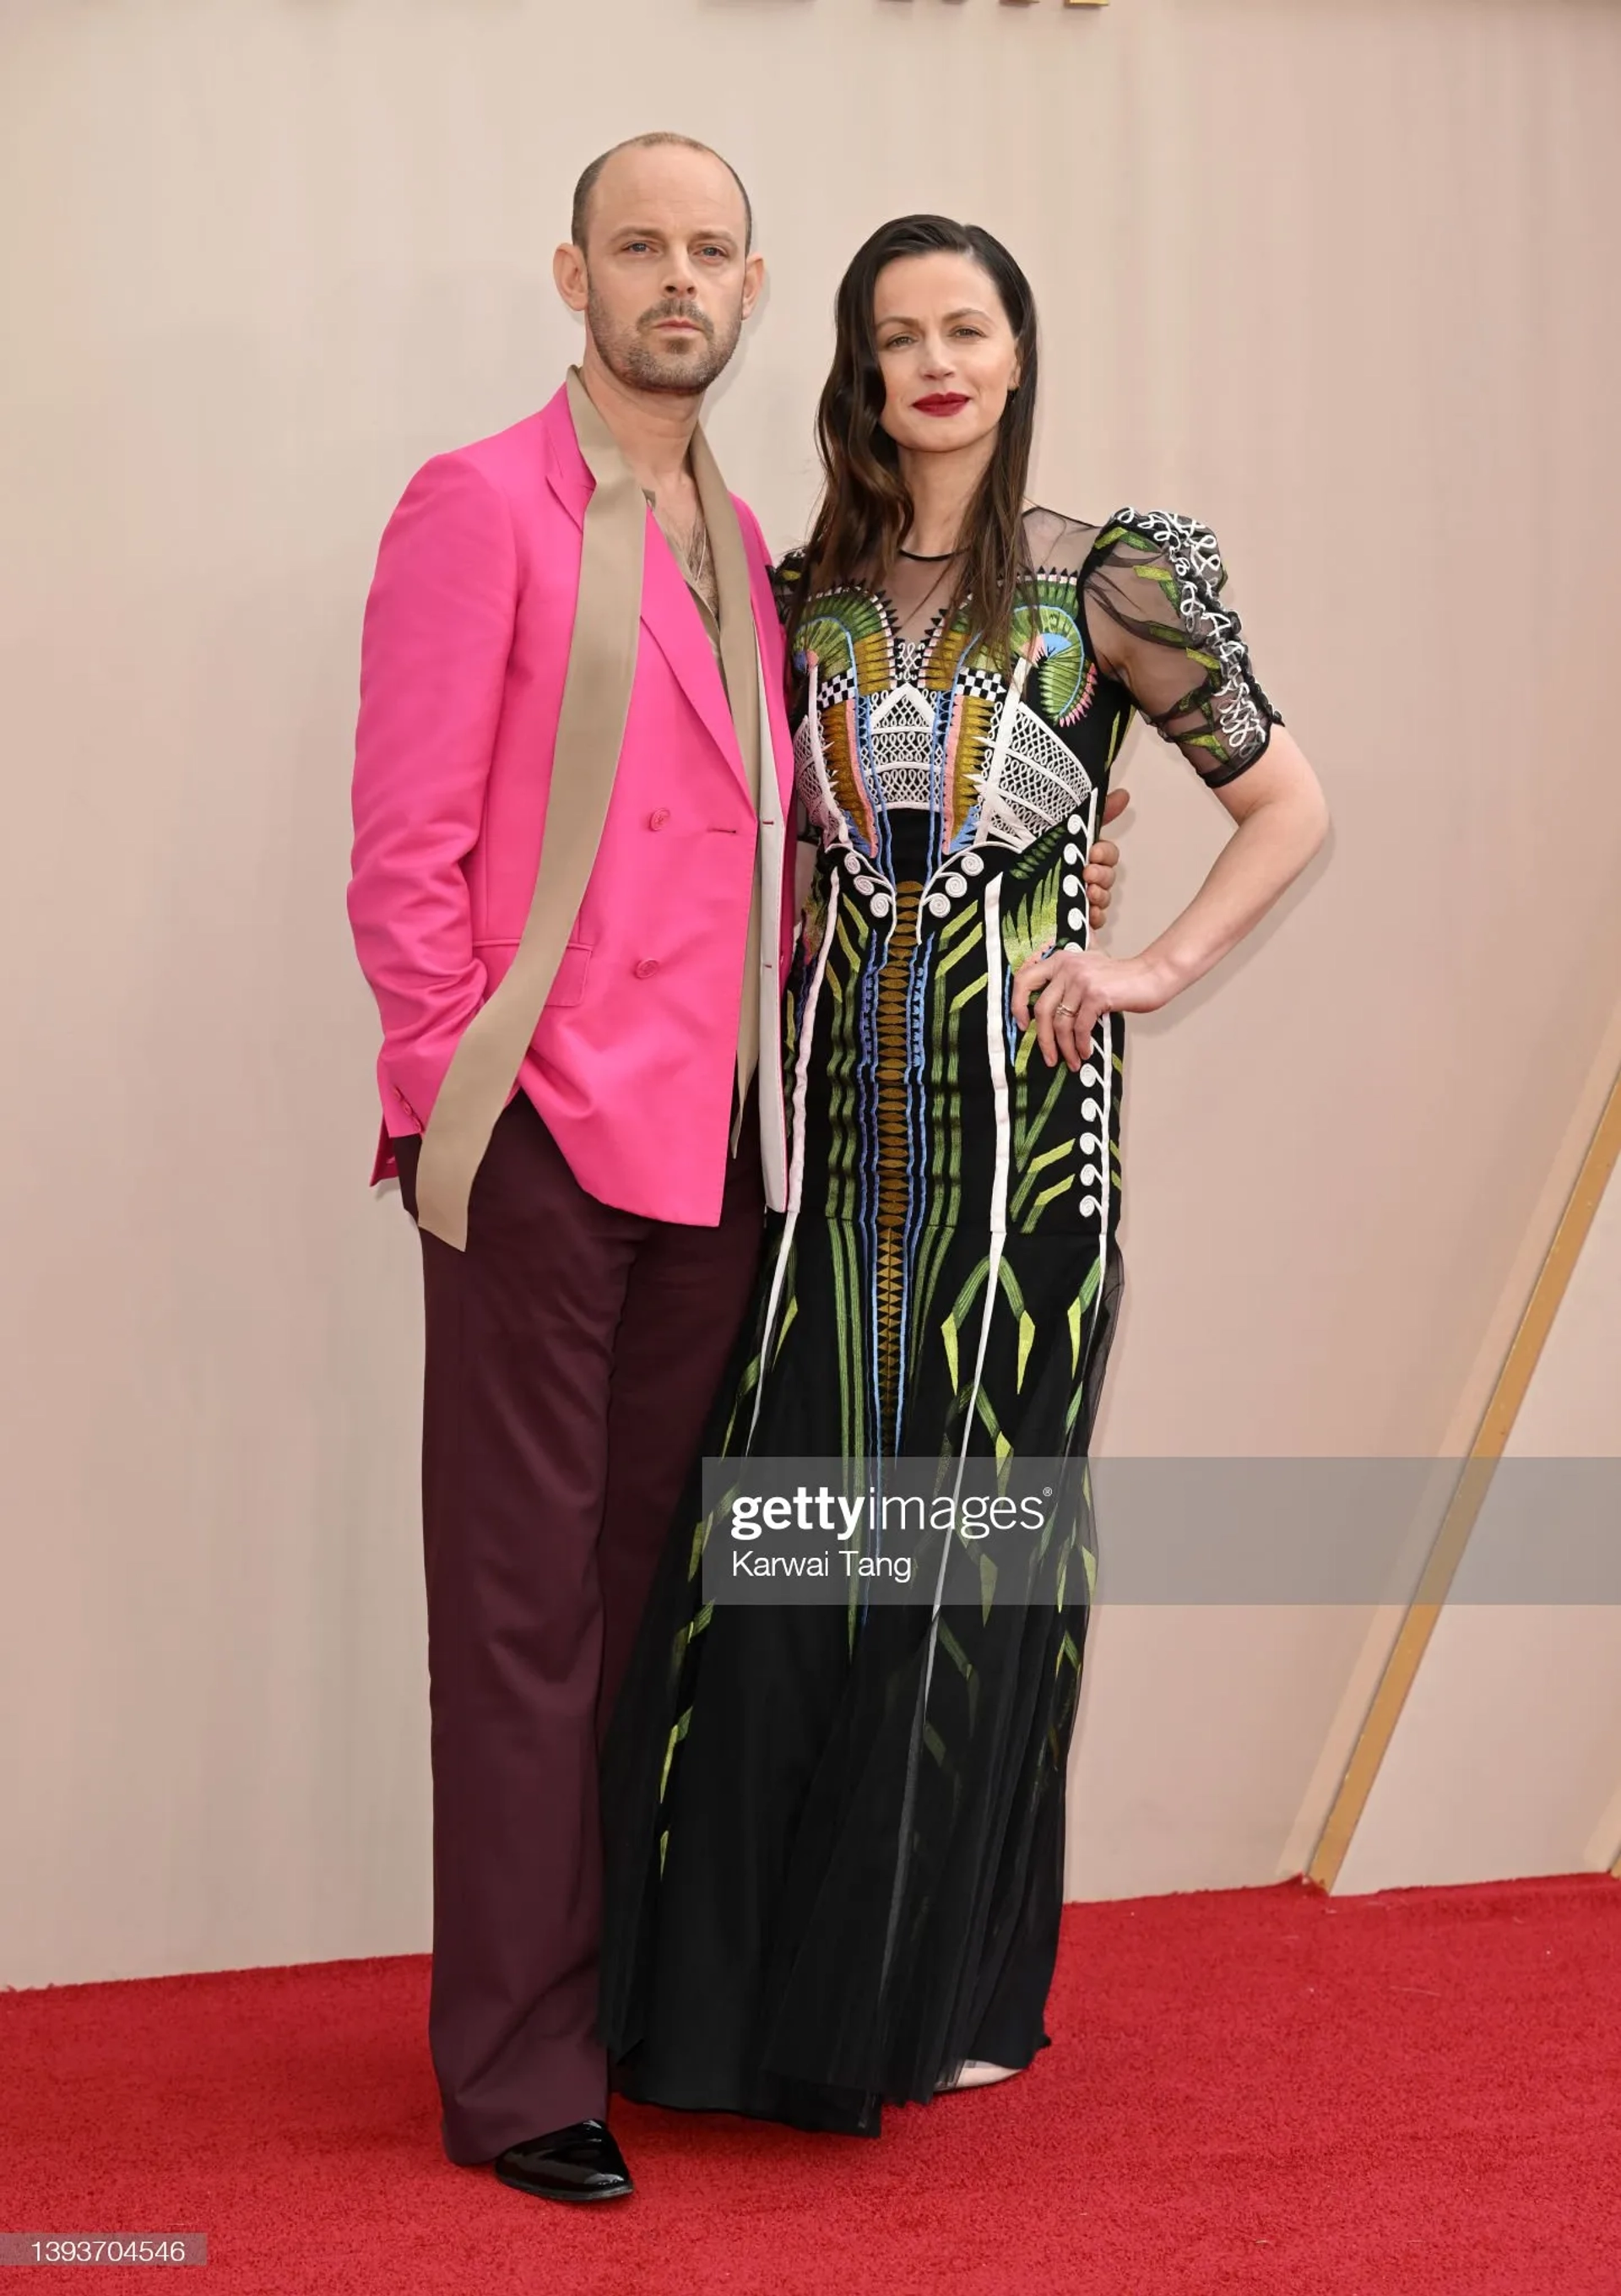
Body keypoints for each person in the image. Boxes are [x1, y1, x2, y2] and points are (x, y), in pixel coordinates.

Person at [349, 136, 1133, 2202]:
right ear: (573, 274)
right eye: (639, 248)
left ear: (753, 288)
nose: (674, 280)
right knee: (520, 1625)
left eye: (710, 252)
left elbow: (791, 846)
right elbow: (405, 854)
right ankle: (518, 2077)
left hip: (729, 1165)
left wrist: (1073, 871)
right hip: (538, 1145)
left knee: (657, 1611)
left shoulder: (752, 540)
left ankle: (607, 2002)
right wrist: (456, 1105)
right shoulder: (474, 505)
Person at [598, 213, 1330, 2137]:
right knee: (780, 1548)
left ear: (1015, 358)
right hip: (835, 1150)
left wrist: (1143, 958)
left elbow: (1288, 804)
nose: (935, 359)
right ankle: (725, 2004)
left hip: (1027, 1167)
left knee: (968, 1564)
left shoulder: (1114, 578)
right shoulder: (791, 591)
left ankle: (931, 2000)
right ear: (857, 366)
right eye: (899, 332)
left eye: (969, 327)